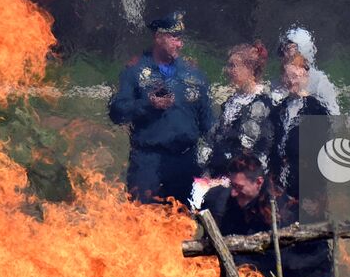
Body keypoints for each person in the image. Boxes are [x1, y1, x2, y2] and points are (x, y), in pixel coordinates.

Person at [108, 11, 214, 205]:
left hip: (185, 162)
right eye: (174, 38)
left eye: (181, 39)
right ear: (158, 37)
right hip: (148, 162)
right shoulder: (135, 71)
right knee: (144, 221)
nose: (179, 44)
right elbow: (117, 112)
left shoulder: (193, 73)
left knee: (182, 223)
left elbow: (208, 121)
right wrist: (147, 104)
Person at [200, 153, 331, 277]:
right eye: (232, 185)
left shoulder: (282, 211)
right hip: (246, 276)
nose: (233, 193)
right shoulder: (230, 205)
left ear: (258, 182)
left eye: (239, 187)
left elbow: (282, 261)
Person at [197, 41, 277, 178]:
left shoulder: (260, 104)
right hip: (219, 174)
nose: (228, 70)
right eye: (228, 66)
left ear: (250, 68)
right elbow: (215, 136)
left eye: (233, 66)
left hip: (242, 177)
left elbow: (251, 148)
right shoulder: (232, 101)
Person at [270, 56, 334, 206]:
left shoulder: (316, 110)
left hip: (307, 181)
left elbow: (320, 151)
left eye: (295, 76)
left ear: (305, 76)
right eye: (287, 76)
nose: (291, 81)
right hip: (281, 182)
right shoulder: (278, 110)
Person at [276, 25, 341, 115]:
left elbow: (333, 115)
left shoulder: (320, 82)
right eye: (285, 49)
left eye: (292, 48)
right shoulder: (280, 80)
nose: (286, 54)